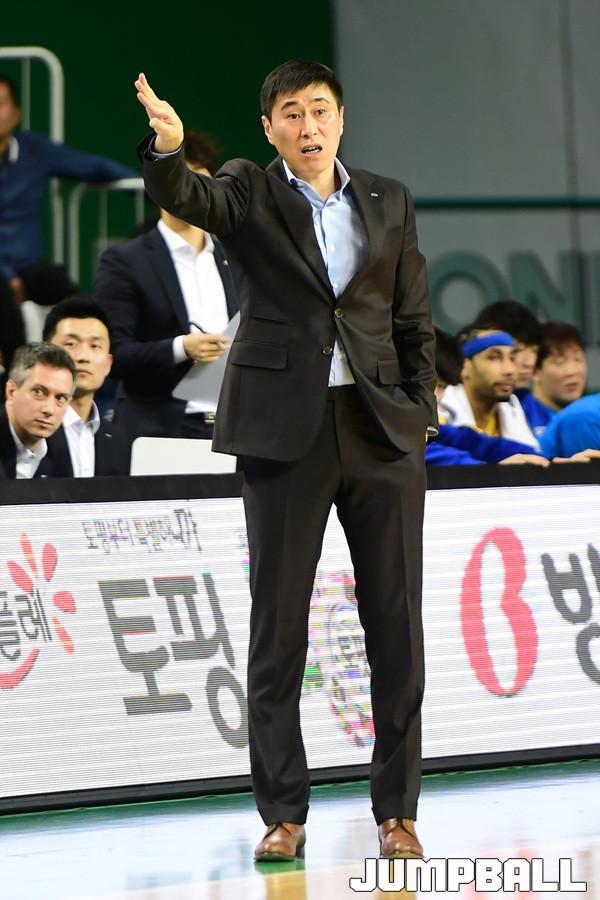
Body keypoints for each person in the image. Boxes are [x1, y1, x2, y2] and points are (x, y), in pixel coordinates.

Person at [135, 60, 437, 861]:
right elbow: (192, 197)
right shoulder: (249, 188)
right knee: (278, 626)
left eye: (322, 110)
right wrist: (167, 151)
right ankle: (284, 812)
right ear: (269, 127)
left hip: (380, 430)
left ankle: (397, 812)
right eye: (293, 113)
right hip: (282, 431)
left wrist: (418, 413)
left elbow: (412, 315)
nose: (310, 126)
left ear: (342, 118)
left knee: (397, 626)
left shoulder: (389, 198)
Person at [95, 130, 238, 442]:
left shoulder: (235, 258)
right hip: (160, 428)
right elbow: (113, 352)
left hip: (233, 427)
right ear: (156, 185)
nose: (189, 189)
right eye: (178, 178)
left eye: (199, 179)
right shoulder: (125, 261)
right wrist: (180, 348)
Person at [0, 73, 135, 285]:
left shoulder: (34, 150)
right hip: (5, 276)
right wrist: (8, 278)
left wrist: (157, 191)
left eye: (0, 104)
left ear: (16, 114)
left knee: (56, 282)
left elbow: (96, 167)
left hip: (28, 270)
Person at [427, 329, 548, 466]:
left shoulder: (512, 406)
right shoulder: (440, 410)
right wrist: (490, 472)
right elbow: (426, 452)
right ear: (464, 366)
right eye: (494, 357)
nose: (509, 370)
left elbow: (481, 445)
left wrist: (551, 461)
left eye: (513, 358)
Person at [42, 297, 131, 476]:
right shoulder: (27, 427)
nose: (83, 356)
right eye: (71, 344)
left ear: (108, 364)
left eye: (95, 346)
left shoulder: (118, 440)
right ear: (45, 354)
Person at [0, 342, 76, 478]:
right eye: (39, 392)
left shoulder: (60, 447)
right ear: (11, 391)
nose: (49, 410)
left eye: (60, 398)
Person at [526, 322, 587, 436]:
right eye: (559, 362)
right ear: (535, 372)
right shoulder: (517, 417)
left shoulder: (588, 416)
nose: (572, 371)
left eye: (578, 359)